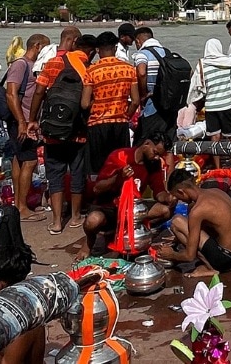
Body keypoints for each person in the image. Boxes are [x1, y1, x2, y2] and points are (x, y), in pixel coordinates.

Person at [28, 27, 91, 236]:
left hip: (52, 130)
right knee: (77, 171)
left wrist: (32, 120)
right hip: (78, 129)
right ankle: (75, 217)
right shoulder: (84, 64)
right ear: (73, 41)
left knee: (55, 173)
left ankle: (56, 222)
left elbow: (38, 91)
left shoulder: (51, 63)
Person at [81, 135, 171, 258]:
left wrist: (168, 198)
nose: (157, 158)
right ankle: (88, 243)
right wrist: (118, 177)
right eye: (155, 153)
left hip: (132, 211)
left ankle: (132, 233)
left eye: (159, 155)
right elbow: (97, 188)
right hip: (108, 208)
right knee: (93, 221)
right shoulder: (120, 156)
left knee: (165, 210)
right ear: (146, 144)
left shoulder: (153, 164)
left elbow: (158, 191)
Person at [159, 170, 231, 277]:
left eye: (178, 197)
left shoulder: (198, 210)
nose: (180, 201)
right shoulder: (215, 191)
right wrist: (179, 238)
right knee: (191, 210)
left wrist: (171, 255)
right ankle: (210, 261)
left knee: (177, 221)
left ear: (181, 192)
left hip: (225, 260)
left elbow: (190, 256)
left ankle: (210, 268)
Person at [82, 32, 139, 176]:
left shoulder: (91, 71)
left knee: (97, 170)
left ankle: (98, 196)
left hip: (97, 125)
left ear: (97, 50)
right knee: (121, 168)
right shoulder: (129, 69)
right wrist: (126, 116)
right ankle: (119, 197)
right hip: (120, 124)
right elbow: (136, 101)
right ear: (115, 48)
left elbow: (84, 103)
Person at [5, 34, 49, 220]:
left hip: (25, 121)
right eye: (45, 49)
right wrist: (22, 122)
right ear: (37, 46)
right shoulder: (21, 64)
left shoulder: (32, 66)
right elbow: (10, 94)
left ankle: (18, 203)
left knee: (19, 160)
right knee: (30, 161)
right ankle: (22, 208)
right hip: (21, 121)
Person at [189, 39, 231, 142]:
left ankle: (216, 158)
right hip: (227, 105)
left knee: (214, 136)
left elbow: (196, 85)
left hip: (211, 106)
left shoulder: (202, 64)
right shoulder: (228, 61)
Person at [133, 27, 176, 141]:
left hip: (152, 106)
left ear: (138, 41)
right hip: (170, 107)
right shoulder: (167, 52)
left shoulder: (142, 54)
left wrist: (143, 94)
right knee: (168, 145)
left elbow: (141, 73)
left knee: (147, 142)